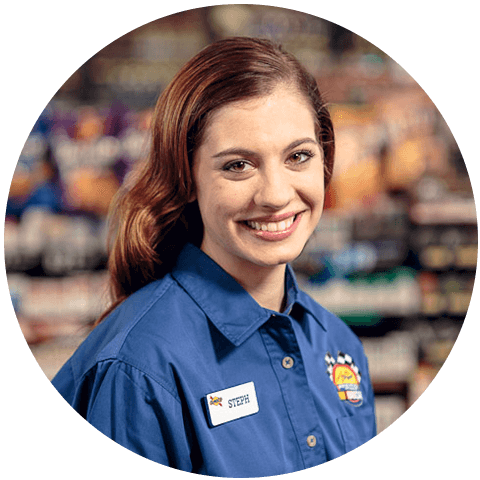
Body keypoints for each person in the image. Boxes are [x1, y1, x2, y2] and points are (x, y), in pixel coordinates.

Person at [51, 37, 376, 477]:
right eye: (238, 165)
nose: (277, 195)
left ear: (325, 162)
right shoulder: (137, 371)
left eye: (298, 156)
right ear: (186, 178)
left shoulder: (338, 346)